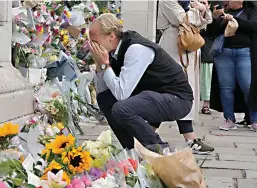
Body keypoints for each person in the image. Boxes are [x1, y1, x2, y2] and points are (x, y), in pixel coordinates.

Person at [88, 13, 212, 154]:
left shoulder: (136, 48)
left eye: (95, 41)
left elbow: (122, 94)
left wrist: (105, 65)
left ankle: (160, 149)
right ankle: (130, 150)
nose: (92, 46)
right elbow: (103, 91)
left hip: (177, 99)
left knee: (121, 108)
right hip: (153, 96)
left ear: (111, 36)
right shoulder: (112, 51)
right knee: (105, 99)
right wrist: (99, 65)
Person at [157, 0, 214, 153]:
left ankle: (189, 137)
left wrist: (201, 10)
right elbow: (182, 19)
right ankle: (144, 133)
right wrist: (199, 10)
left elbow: (205, 21)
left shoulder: (189, 1)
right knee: (169, 90)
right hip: (173, 48)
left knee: (183, 91)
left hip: (189, 46)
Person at [208, 1, 257, 131]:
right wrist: (215, 18)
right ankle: (229, 119)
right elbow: (211, 32)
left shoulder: (250, 11)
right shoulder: (223, 11)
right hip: (224, 53)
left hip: (244, 52)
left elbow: (253, 26)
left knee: (248, 86)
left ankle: (254, 119)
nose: (228, 1)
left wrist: (235, 19)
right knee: (226, 87)